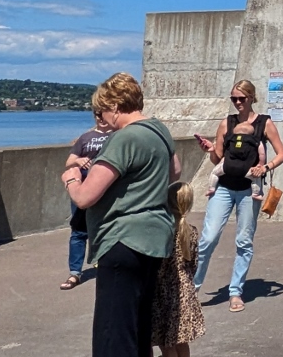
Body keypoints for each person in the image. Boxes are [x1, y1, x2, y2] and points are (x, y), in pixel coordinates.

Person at [64, 72, 180, 357]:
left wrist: (70, 178)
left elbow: (85, 197)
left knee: (113, 334)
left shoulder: (124, 139)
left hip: (122, 241)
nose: (101, 117)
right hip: (154, 240)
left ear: (115, 106)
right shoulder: (158, 130)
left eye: (102, 110)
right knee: (138, 329)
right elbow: (175, 171)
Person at [194, 79, 283, 313]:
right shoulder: (227, 123)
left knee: (244, 242)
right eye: (233, 99)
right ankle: (192, 290)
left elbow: (282, 153)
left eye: (241, 99)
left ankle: (236, 291)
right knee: (208, 239)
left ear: (251, 98)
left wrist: (265, 168)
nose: (237, 103)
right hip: (224, 188)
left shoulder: (264, 123)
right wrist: (208, 151)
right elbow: (217, 158)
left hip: (249, 190)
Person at [62, 110, 116, 290]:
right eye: (97, 115)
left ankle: (102, 263)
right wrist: (79, 161)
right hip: (83, 186)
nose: (100, 119)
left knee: (104, 228)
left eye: (103, 114)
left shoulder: (117, 135)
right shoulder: (85, 137)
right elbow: (69, 162)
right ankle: (75, 272)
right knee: (78, 230)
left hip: (107, 188)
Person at [151, 182, 206, 357]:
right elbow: (194, 264)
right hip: (185, 291)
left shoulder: (163, 232)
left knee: (166, 343)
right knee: (182, 340)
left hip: (164, 293)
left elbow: (159, 266)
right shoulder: (191, 231)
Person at [204, 121, 267, 201]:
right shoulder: (255, 140)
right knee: (256, 178)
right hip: (245, 169)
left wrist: (222, 162)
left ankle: (211, 188)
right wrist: (260, 164)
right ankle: (255, 194)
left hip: (228, 167)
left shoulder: (230, 139)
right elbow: (262, 154)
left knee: (214, 173)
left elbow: (226, 152)